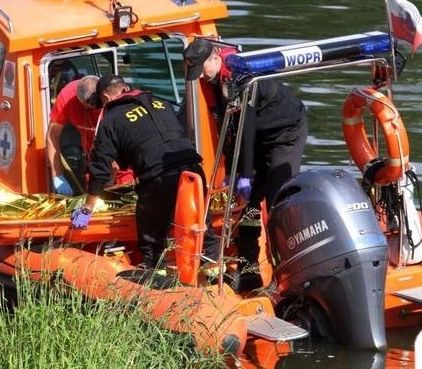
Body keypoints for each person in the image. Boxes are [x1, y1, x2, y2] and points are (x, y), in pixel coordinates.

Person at [184, 38, 307, 291]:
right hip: (257, 138)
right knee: (247, 207)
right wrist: (232, 172)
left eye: (202, 70)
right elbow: (230, 129)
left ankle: (285, 276)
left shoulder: (242, 77)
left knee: (276, 204)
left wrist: (245, 176)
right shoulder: (214, 80)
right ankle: (248, 269)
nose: (202, 78)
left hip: (284, 135)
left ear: (215, 58)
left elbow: (246, 127)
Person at [70, 75, 214, 271]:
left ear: (105, 96)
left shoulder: (111, 120)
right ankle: (216, 277)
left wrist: (87, 208)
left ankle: (157, 279)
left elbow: (100, 168)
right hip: (194, 169)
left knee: (151, 240)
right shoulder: (160, 103)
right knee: (204, 232)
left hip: (160, 178)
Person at [46, 75, 101, 195]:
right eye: (90, 107)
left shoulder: (111, 94)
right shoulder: (67, 97)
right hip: (92, 154)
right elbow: (52, 135)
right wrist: (57, 176)